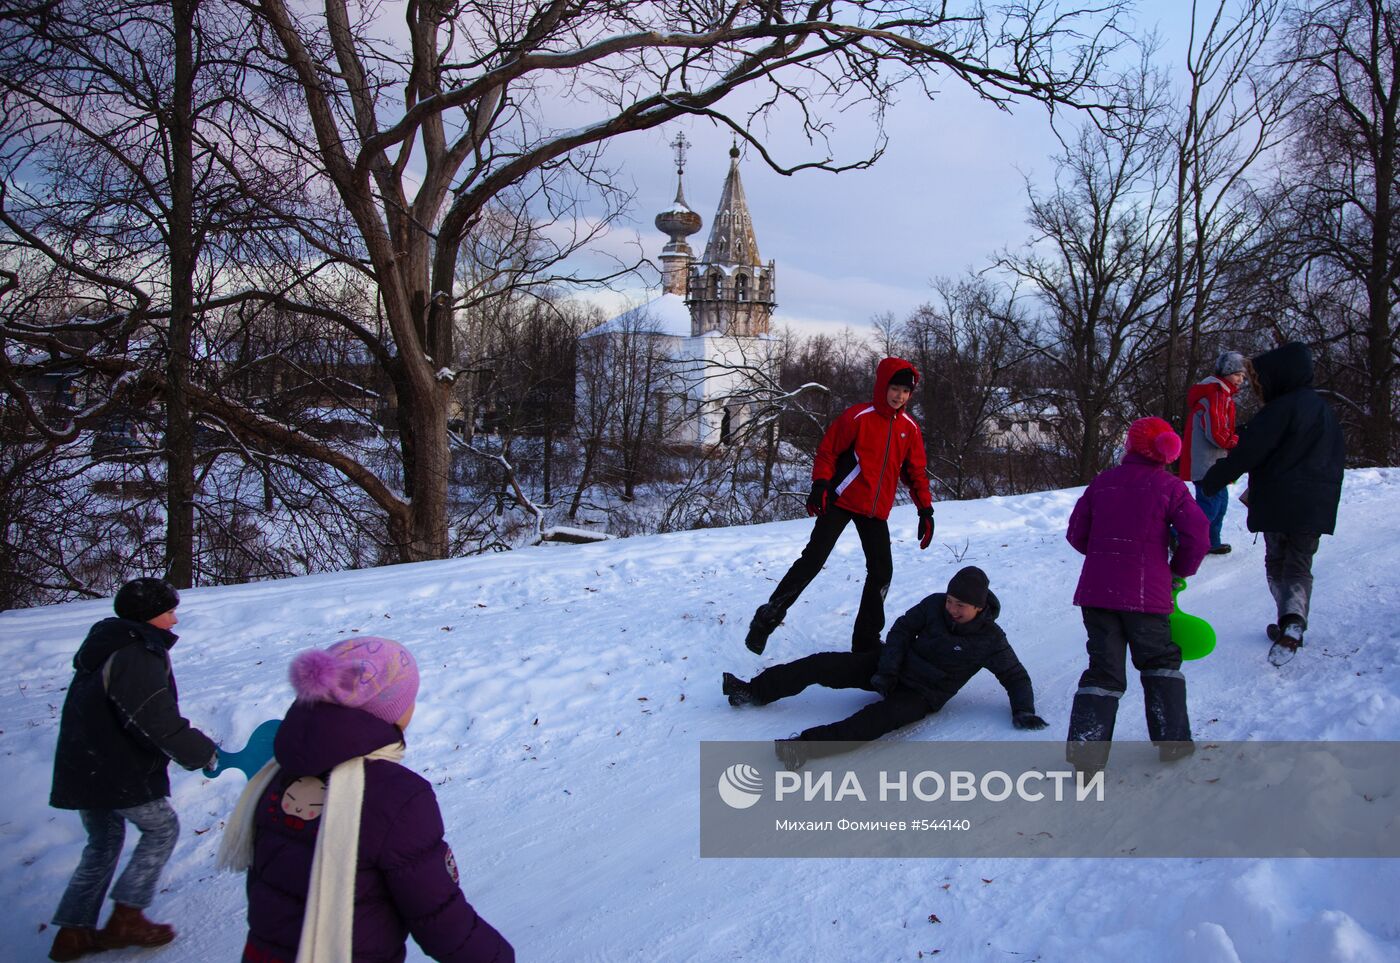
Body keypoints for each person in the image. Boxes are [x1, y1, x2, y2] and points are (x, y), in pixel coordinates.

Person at [221, 636, 513, 963]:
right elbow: (439, 917)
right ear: (386, 710)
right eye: (408, 699)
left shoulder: (274, 775)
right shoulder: (396, 796)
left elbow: (267, 888)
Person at [725, 566, 1047, 770]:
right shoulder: (934, 605)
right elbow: (902, 630)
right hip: (892, 666)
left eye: (960, 605)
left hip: (921, 694)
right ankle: (752, 691)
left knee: (875, 719)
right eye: (950, 600)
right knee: (822, 664)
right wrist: (888, 669)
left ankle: (805, 746)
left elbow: (1015, 676)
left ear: (979, 607)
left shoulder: (991, 639)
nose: (951, 609)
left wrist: (1024, 709)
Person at [48, 577, 218, 962]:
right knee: (162, 829)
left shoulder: (105, 644)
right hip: (116, 766)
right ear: (149, 616)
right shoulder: (136, 652)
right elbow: (153, 718)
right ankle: (127, 916)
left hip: (83, 763)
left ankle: (72, 933)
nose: (175, 621)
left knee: (103, 842)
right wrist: (201, 752)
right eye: (170, 612)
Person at [746, 356, 934, 655]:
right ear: (883, 385)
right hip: (842, 500)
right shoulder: (859, 416)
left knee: (882, 571)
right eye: (895, 388)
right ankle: (766, 619)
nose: (899, 396)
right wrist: (820, 485)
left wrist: (925, 510)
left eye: (905, 391)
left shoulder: (909, 428)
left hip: (875, 509)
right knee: (813, 559)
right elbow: (828, 452)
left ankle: (866, 641)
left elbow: (916, 472)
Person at [1064, 418, 1210, 772]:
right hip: (1147, 597)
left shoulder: (1103, 483)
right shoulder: (1170, 487)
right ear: (1166, 450)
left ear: (1131, 446)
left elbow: (1076, 533)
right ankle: (1173, 743)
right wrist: (1178, 570)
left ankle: (1087, 754)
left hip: (1097, 595)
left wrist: (1104, 557)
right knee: (1159, 662)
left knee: (1103, 671)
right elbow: (1199, 535)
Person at [1199, 341, 1344, 654]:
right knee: (1300, 564)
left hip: (1280, 499)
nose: (1258, 386)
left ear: (1280, 375)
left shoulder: (1279, 410)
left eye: (1261, 380)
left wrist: (1212, 480)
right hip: (1316, 503)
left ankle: (1287, 617)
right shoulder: (1325, 412)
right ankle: (1293, 620)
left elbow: (1249, 451)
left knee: (1277, 560)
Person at [1179, 350, 1246, 554]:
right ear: (1226, 372)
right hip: (1206, 461)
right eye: (1237, 374)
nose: (1241, 380)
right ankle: (1178, 537)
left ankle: (1210, 540)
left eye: (1243, 376)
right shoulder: (1215, 394)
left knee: (1220, 503)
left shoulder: (1223, 395)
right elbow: (1216, 433)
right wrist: (1236, 440)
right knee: (1209, 506)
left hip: (1216, 460)